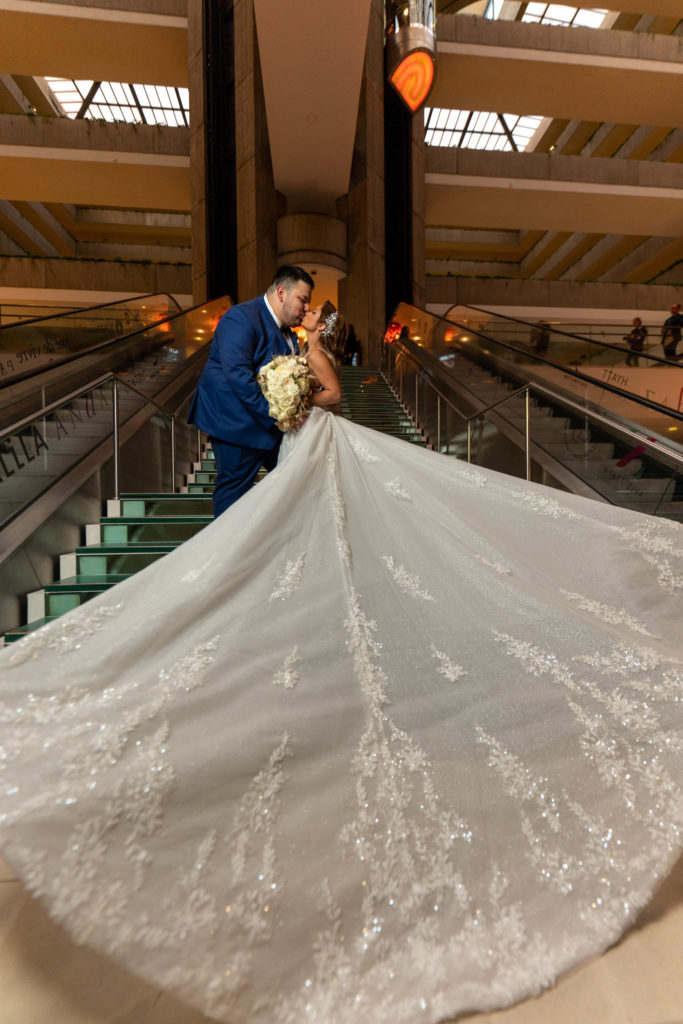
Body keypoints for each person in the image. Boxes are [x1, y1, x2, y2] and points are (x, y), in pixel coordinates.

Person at [1, 335, 682, 1024]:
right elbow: (312, 398)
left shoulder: (305, 376)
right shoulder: (291, 377)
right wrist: (296, 385)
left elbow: (322, 395)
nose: (303, 324)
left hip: (314, 451)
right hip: (306, 452)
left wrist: (304, 373)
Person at [187, 264, 314, 516]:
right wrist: (279, 417)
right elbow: (239, 377)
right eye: (303, 300)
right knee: (233, 493)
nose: (307, 308)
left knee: (301, 482)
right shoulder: (240, 318)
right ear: (281, 293)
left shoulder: (289, 333)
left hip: (270, 426)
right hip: (236, 424)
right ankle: (228, 553)